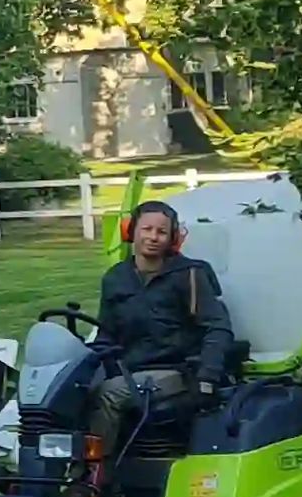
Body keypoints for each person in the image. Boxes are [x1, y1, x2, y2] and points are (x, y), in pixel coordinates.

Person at [90, 197, 233, 468]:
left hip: (176, 371)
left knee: (109, 394)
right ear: (131, 232)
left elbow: (218, 327)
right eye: (147, 229)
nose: (153, 237)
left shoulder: (189, 275)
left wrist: (207, 376)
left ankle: (93, 475)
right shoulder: (115, 278)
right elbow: (105, 335)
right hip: (127, 368)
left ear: (173, 238)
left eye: (162, 232)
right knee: (71, 389)